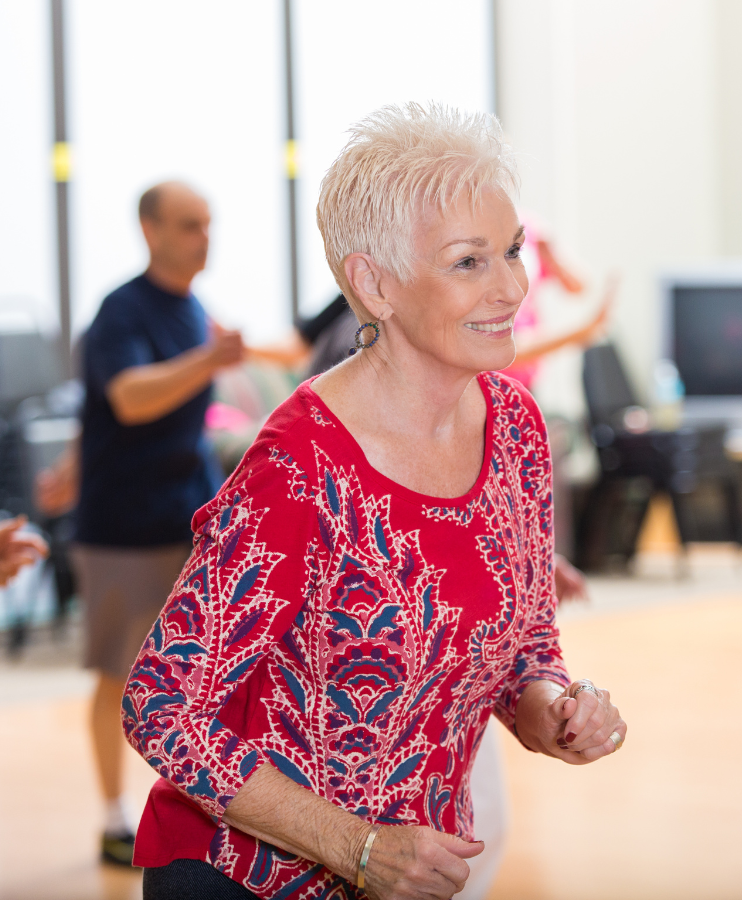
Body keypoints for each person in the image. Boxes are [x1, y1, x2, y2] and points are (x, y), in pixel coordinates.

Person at [123, 102, 627, 899]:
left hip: (407, 873)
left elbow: (526, 642)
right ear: (374, 284)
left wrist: (556, 707)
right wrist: (356, 846)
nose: (511, 287)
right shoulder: (301, 462)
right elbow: (162, 706)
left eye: (512, 250)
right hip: (247, 879)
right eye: (469, 262)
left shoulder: (518, 427)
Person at [71, 181, 245, 866]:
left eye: (208, 223)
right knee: (120, 671)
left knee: (196, 675)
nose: (204, 236)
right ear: (149, 229)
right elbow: (127, 397)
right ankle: (114, 817)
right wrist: (209, 358)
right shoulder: (123, 310)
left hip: (186, 520)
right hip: (123, 526)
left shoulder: (193, 309)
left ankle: (190, 808)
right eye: (188, 224)